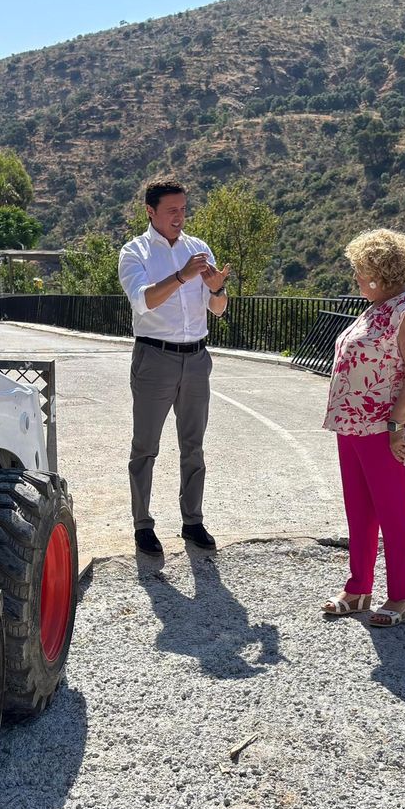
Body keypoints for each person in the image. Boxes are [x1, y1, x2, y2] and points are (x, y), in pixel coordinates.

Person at [320, 229, 405, 628]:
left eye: (359, 270)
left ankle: (401, 596)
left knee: (394, 513)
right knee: (359, 511)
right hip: (353, 425)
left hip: (385, 429)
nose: (355, 277)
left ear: (376, 273)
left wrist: (396, 424)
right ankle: (358, 589)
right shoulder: (377, 307)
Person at [118, 176, 230, 555]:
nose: (179, 216)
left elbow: (218, 309)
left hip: (197, 358)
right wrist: (183, 276)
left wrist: (217, 288)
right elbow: (144, 300)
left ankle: (192, 521)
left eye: (183, 209)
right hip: (155, 358)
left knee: (193, 446)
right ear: (150, 211)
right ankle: (143, 525)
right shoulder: (134, 252)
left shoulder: (199, 249)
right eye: (171, 210)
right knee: (145, 447)